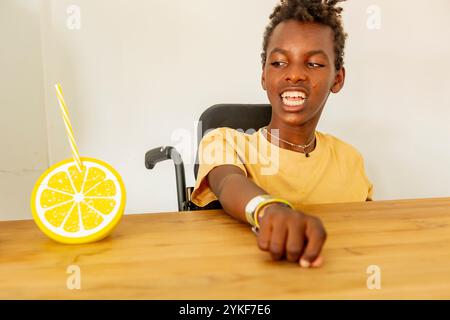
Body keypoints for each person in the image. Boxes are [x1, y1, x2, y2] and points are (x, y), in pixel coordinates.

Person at [191, 0, 373, 268]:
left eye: (313, 64)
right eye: (278, 62)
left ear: (337, 79)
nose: (295, 75)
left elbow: (368, 235)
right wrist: (270, 210)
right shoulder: (225, 141)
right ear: (264, 75)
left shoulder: (350, 159)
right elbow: (228, 181)